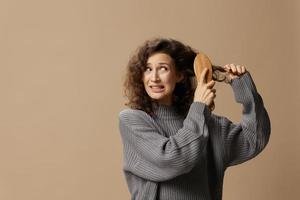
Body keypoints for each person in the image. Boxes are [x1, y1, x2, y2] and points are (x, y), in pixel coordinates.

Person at [118, 37, 271, 200]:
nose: (154, 77)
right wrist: (199, 106)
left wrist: (244, 88)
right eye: (147, 69)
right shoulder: (132, 120)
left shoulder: (205, 122)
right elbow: (173, 160)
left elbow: (254, 139)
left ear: (179, 75)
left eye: (162, 68)